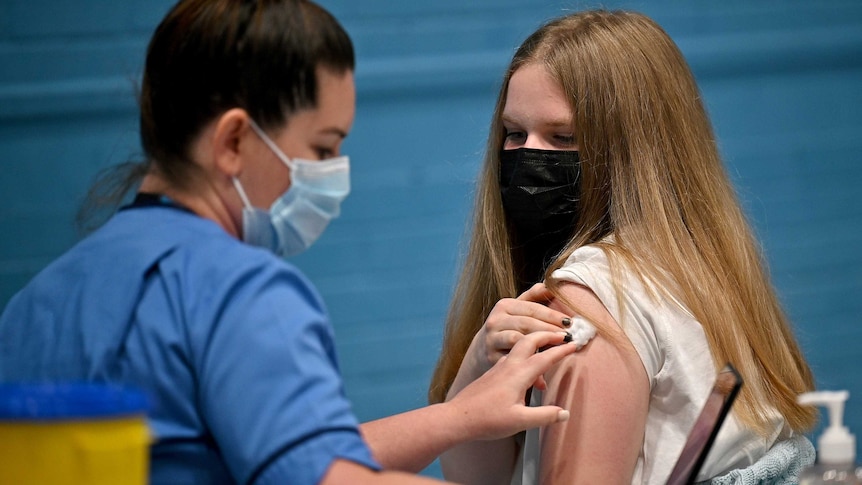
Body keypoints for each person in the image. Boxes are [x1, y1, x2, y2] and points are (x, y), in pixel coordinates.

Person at [0, 1, 583, 484]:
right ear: (232, 140)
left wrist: (457, 418)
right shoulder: (239, 289)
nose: (333, 173)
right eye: (323, 149)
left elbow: (286, 449)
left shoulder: (38, 301)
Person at [428, 9, 818, 484]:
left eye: (563, 137)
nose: (530, 156)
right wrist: (476, 366)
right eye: (514, 133)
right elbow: (479, 477)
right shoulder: (700, 268)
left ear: (636, 148)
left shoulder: (594, 293)